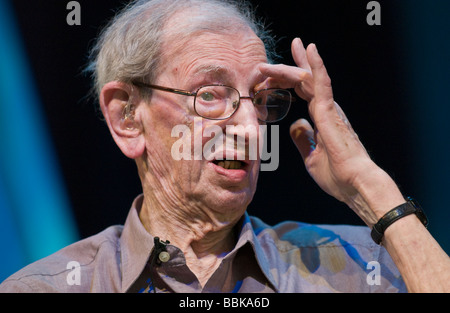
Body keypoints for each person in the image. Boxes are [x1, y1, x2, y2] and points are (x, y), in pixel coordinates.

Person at [1, 0, 449, 293]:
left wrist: (368, 186)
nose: (252, 129)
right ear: (127, 116)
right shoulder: (50, 287)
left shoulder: (357, 267)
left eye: (258, 100)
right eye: (210, 95)